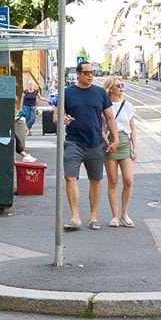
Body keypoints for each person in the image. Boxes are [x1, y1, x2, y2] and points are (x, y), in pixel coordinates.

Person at [61, 60, 116, 230]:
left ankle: (93, 217)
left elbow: (109, 118)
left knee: (96, 180)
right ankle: (75, 217)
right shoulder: (67, 93)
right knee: (70, 178)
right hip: (73, 141)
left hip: (95, 143)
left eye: (92, 72)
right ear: (78, 74)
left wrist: (116, 138)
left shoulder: (100, 93)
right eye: (86, 73)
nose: (90, 75)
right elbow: (56, 116)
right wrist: (62, 119)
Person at [103, 76, 136, 227]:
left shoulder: (127, 105)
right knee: (113, 181)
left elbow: (132, 128)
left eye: (122, 85)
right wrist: (106, 142)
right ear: (111, 88)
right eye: (118, 85)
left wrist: (135, 147)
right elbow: (101, 127)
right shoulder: (104, 105)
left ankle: (124, 213)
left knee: (128, 180)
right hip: (109, 143)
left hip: (124, 142)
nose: (121, 87)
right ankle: (115, 215)